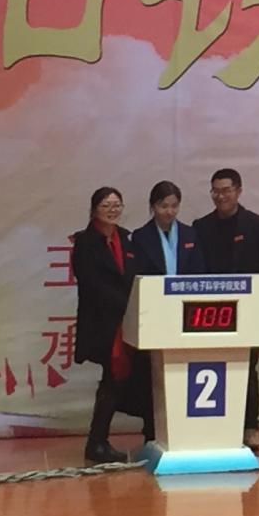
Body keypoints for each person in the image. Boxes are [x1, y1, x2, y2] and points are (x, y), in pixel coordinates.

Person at [192, 168, 259, 449]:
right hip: (210, 312)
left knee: (247, 367)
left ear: (238, 191)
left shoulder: (257, 225)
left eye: (226, 190)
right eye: (215, 191)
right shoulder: (201, 227)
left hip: (248, 310)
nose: (221, 196)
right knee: (212, 364)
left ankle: (250, 426)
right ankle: (213, 426)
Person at [73, 186, 148, 464]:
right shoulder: (85, 242)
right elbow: (91, 283)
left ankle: (101, 440)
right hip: (102, 323)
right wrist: (126, 304)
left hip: (127, 322)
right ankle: (97, 442)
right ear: (94, 210)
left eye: (117, 205)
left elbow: (134, 276)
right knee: (112, 380)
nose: (112, 210)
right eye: (106, 205)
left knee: (119, 381)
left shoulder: (126, 238)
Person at [130, 180, 207, 277]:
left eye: (174, 206)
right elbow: (139, 273)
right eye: (164, 206)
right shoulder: (140, 237)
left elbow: (198, 271)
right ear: (153, 206)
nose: (169, 212)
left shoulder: (190, 234)